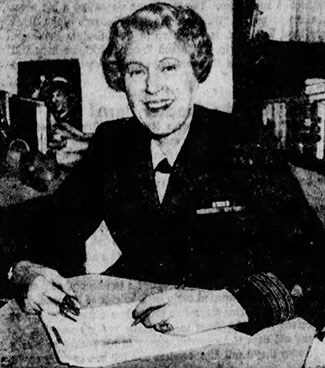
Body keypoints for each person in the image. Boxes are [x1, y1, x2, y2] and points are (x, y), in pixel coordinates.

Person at [1, 2, 325, 336]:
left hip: (233, 334)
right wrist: (19, 271)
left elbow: (314, 260)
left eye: (168, 67)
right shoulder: (114, 142)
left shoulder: (246, 143)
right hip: (140, 329)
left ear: (195, 70)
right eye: (136, 71)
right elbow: (47, 225)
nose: (152, 87)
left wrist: (227, 305)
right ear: (121, 79)